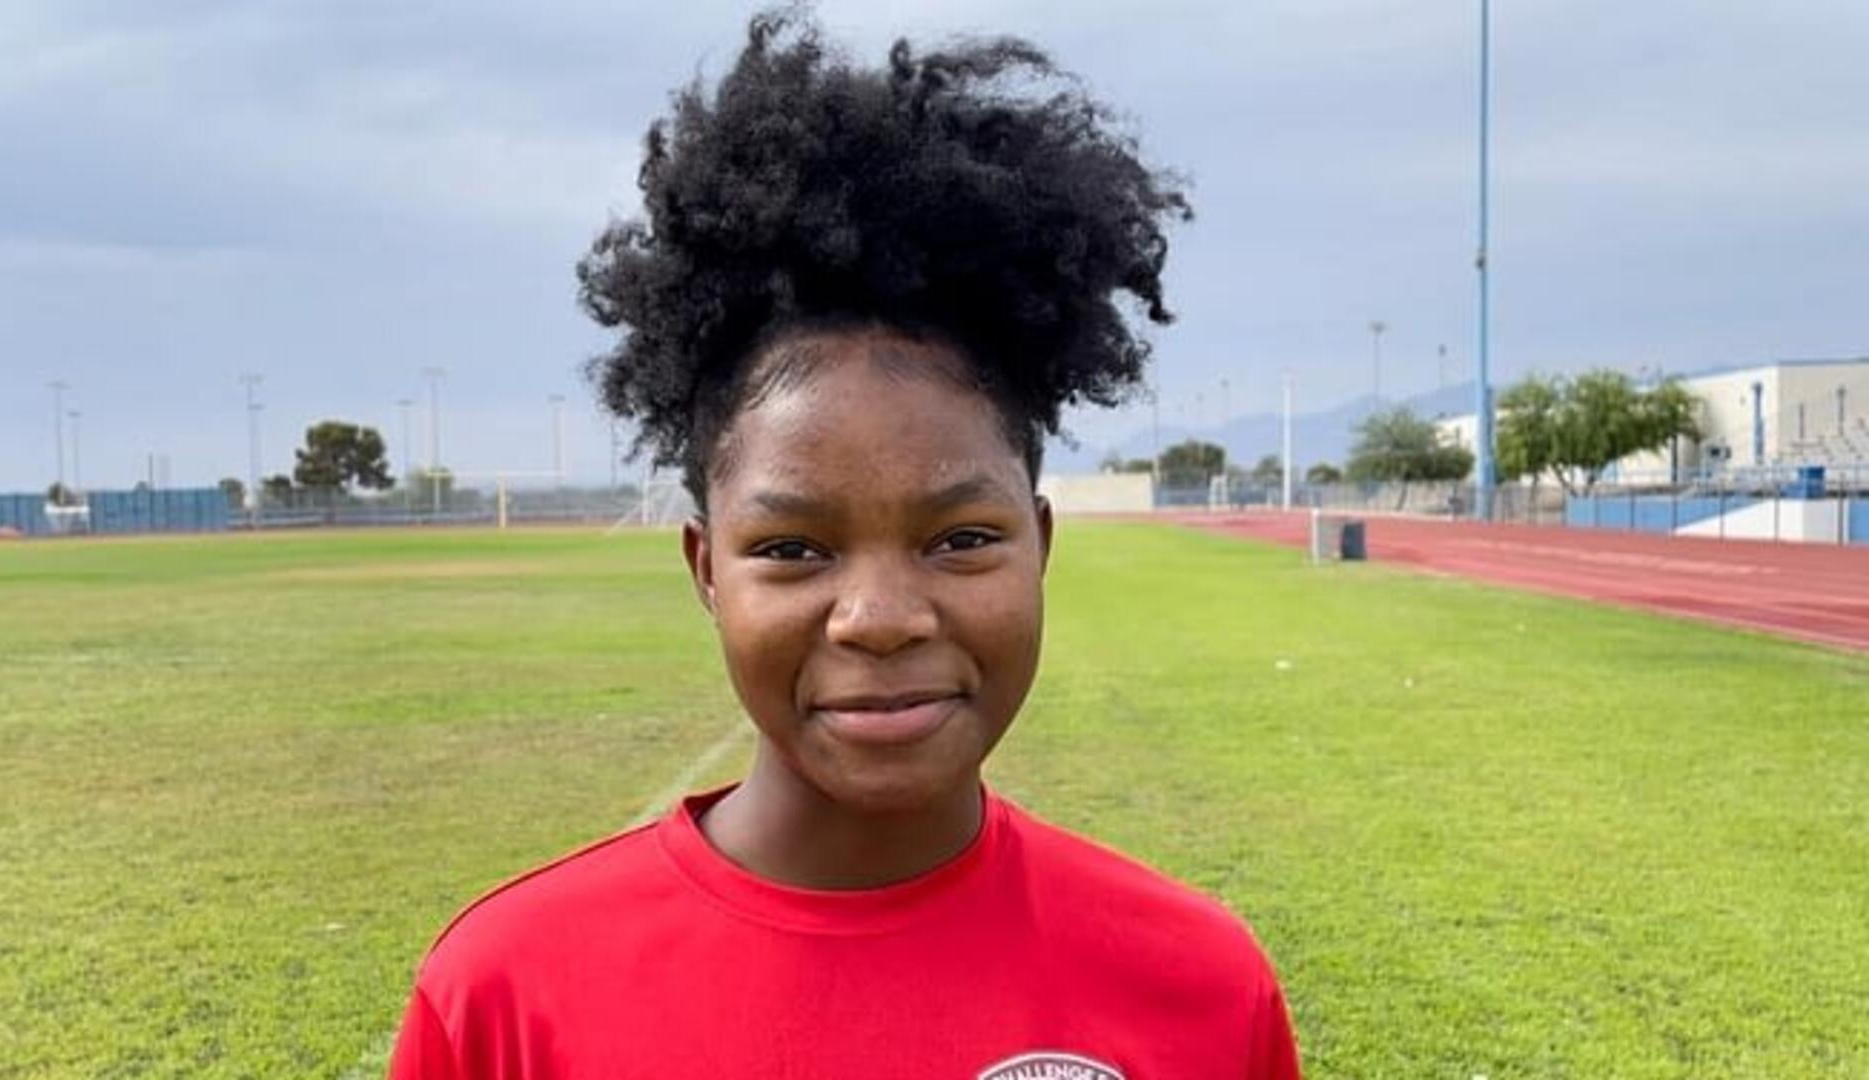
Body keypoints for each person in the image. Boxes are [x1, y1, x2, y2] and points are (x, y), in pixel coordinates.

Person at [388, 9, 1299, 1078]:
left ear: (1040, 547)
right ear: (705, 571)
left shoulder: (1199, 984)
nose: (879, 619)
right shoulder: (504, 995)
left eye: (960, 537)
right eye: (792, 549)